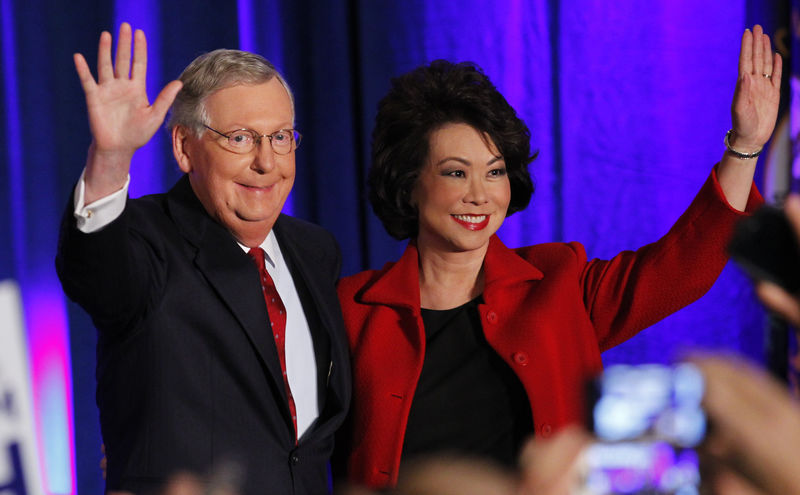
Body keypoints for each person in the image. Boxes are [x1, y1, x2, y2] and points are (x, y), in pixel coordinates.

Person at [335, 25, 781, 489]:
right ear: (409, 185)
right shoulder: (352, 308)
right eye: (454, 172)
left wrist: (745, 147)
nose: (479, 195)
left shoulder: (559, 280)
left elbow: (680, 269)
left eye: (494, 172)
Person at [55, 23, 351, 495]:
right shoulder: (146, 240)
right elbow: (97, 274)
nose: (266, 161)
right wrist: (110, 158)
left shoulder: (316, 251)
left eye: (280, 137)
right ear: (184, 147)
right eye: (239, 138)